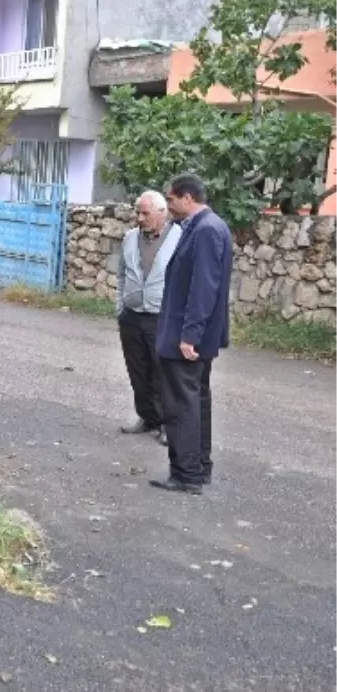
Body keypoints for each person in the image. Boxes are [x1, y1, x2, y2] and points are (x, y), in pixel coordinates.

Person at [152, 173, 233, 495]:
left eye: (170, 199)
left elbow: (204, 287)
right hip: (192, 335)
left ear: (187, 198)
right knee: (195, 400)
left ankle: (187, 474)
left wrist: (189, 335)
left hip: (188, 338)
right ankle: (196, 469)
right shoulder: (203, 227)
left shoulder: (207, 230)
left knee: (182, 404)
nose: (168, 205)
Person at [116, 190, 182, 447]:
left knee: (162, 373)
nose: (140, 218)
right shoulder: (130, 238)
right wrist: (120, 308)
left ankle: (167, 423)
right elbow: (121, 275)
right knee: (137, 371)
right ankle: (147, 417)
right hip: (132, 315)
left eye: (145, 213)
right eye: (138, 212)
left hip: (161, 317)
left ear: (162, 213)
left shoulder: (178, 238)